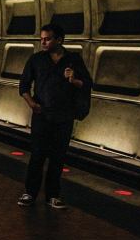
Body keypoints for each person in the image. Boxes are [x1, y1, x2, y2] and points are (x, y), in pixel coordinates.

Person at [17, 23, 92, 210]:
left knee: (58, 157)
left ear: (59, 39)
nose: (43, 42)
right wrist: (32, 104)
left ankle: (53, 195)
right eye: (41, 38)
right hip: (42, 114)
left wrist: (74, 80)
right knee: (38, 155)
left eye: (47, 38)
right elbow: (24, 85)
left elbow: (88, 84)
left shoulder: (74, 60)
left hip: (64, 115)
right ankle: (30, 192)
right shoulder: (36, 59)